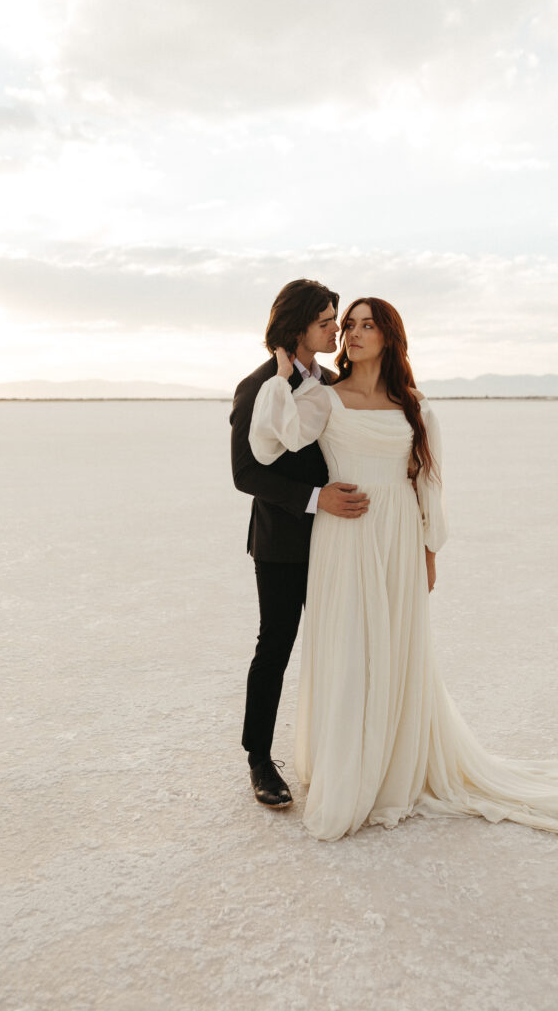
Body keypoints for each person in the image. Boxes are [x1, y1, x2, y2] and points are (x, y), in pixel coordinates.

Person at [249, 296, 558, 842]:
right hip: (346, 537)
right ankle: (347, 766)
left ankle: (390, 767)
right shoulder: (321, 397)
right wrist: (283, 377)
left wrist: (429, 552)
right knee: (348, 646)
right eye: (348, 325)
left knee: (397, 650)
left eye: (366, 326)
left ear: (389, 338)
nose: (352, 335)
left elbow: (428, 482)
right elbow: (267, 448)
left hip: (400, 536)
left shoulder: (415, 406)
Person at [230, 280, 369, 809]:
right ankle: (260, 761)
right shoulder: (258, 385)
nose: (336, 329)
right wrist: (316, 499)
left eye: (336, 319)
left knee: (342, 643)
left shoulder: (334, 384)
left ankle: (345, 754)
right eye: (327, 320)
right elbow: (246, 473)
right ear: (298, 327)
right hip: (283, 542)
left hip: (340, 539)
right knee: (276, 646)